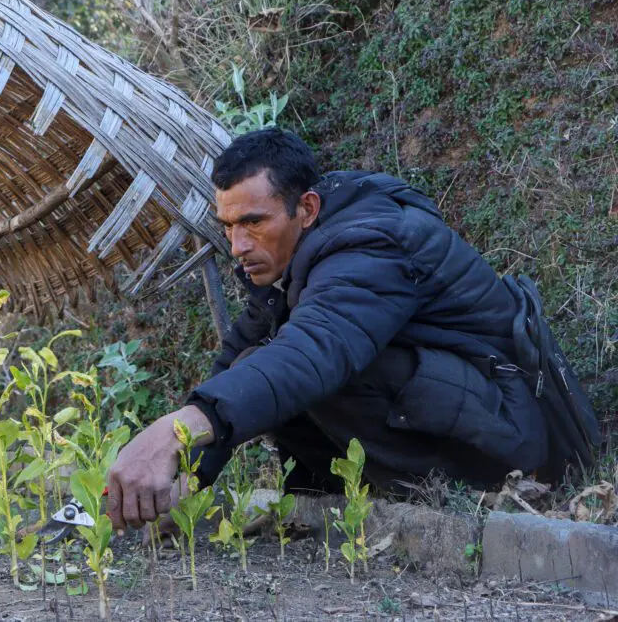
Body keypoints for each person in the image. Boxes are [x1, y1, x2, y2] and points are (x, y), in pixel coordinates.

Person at [105, 128, 557, 532]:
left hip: (507, 441)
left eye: (253, 223)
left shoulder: (369, 246)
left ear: (306, 208)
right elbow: (235, 359)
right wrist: (185, 478)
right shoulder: (296, 256)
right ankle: (320, 506)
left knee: (306, 369)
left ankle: (433, 496)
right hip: (459, 415)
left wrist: (174, 432)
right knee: (258, 366)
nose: (238, 246)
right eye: (228, 227)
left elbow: (314, 352)